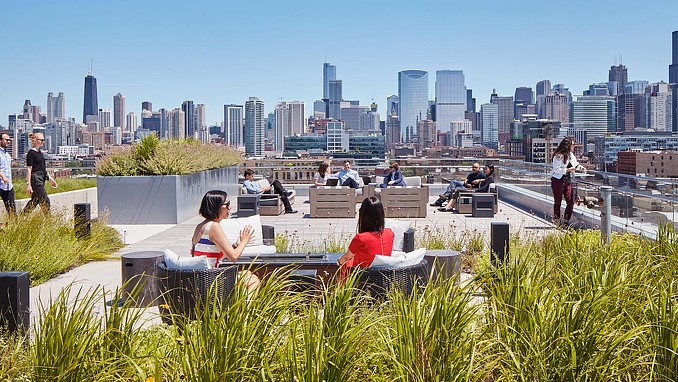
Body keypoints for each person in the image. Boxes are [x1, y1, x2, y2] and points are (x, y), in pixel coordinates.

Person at [191, 190, 259, 290]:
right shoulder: (214, 227)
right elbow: (233, 257)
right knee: (253, 280)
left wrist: (236, 245)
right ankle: (246, 306)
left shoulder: (200, 226)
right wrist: (245, 241)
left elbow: (212, 254)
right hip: (211, 279)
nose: (229, 208)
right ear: (217, 206)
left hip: (202, 278)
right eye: (227, 204)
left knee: (247, 274)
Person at [337, 197, 395, 268]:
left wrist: (338, 262)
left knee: (344, 264)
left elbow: (346, 257)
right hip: (384, 274)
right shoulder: (390, 233)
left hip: (363, 276)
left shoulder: (360, 238)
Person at [550, 137, 585, 226]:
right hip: (558, 180)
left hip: (567, 181)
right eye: (572, 145)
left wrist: (580, 167)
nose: (573, 146)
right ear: (567, 146)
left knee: (570, 202)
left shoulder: (571, 155)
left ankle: (566, 221)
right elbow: (556, 169)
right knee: (558, 202)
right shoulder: (558, 156)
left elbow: (575, 164)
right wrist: (568, 170)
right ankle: (557, 221)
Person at [23, 133, 57, 214]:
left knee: (35, 200)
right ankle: (49, 220)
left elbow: (43, 168)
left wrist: (51, 179)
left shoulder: (39, 152)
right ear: (35, 141)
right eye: (41, 140)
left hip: (41, 179)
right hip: (35, 180)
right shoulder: (31, 153)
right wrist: (28, 184)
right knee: (45, 200)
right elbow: (29, 168)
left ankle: (22, 217)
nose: (43, 141)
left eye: (43, 140)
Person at [0, 133, 16, 216]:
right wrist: (3, 177)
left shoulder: (7, 155)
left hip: (8, 187)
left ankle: (13, 228)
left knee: (12, 213)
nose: (8, 142)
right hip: (0, 184)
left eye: (9, 140)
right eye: (6, 140)